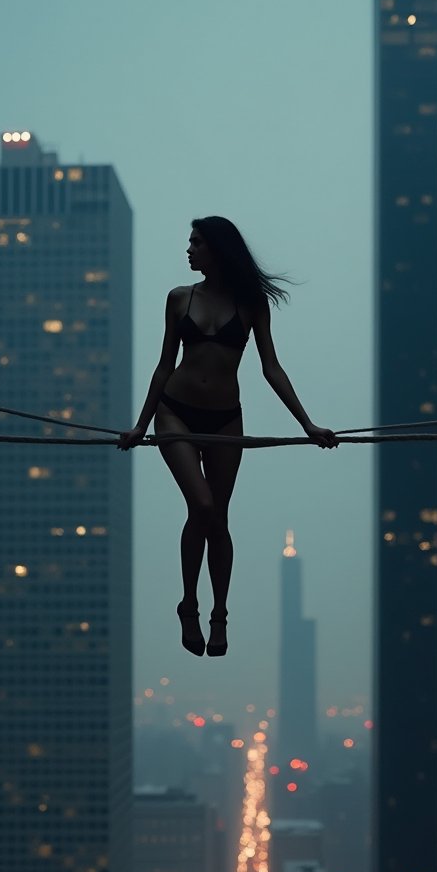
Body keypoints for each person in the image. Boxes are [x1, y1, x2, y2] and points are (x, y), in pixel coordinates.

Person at [118, 216, 336, 656]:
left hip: (225, 419)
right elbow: (164, 364)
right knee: (199, 504)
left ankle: (220, 615)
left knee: (218, 517)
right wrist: (141, 424)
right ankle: (189, 605)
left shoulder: (251, 302)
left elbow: (270, 367)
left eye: (196, 242)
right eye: (189, 242)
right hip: (174, 413)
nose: (189, 250)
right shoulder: (180, 298)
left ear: (217, 248)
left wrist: (308, 425)